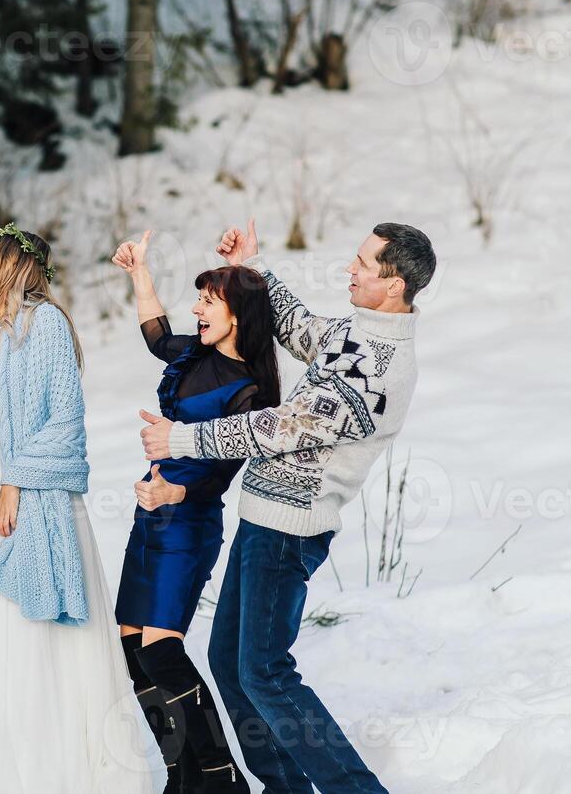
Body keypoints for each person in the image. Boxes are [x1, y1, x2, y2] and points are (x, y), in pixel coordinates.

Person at [140, 220, 436, 794]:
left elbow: (283, 428)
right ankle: (287, 786)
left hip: (289, 532)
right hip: (263, 520)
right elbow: (300, 328)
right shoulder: (356, 335)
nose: (349, 269)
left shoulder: (381, 367)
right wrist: (254, 269)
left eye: (363, 264)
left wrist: (182, 440)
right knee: (231, 663)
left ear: (395, 283)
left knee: (265, 672)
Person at [0, 223, 155, 794]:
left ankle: (57, 770)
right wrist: (0, 480)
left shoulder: (46, 324)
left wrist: (17, 482)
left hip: (35, 492)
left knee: (35, 629)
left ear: (8, 262)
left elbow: (64, 419)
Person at [111, 229, 281, 794]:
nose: (197, 309)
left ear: (239, 315)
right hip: (150, 512)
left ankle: (220, 777)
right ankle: (181, 774)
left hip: (188, 521)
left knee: (163, 649)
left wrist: (176, 494)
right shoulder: (196, 354)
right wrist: (140, 273)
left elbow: (221, 471)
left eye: (209, 301)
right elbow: (157, 336)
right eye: (200, 299)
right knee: (133, 647)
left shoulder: (249, 394)